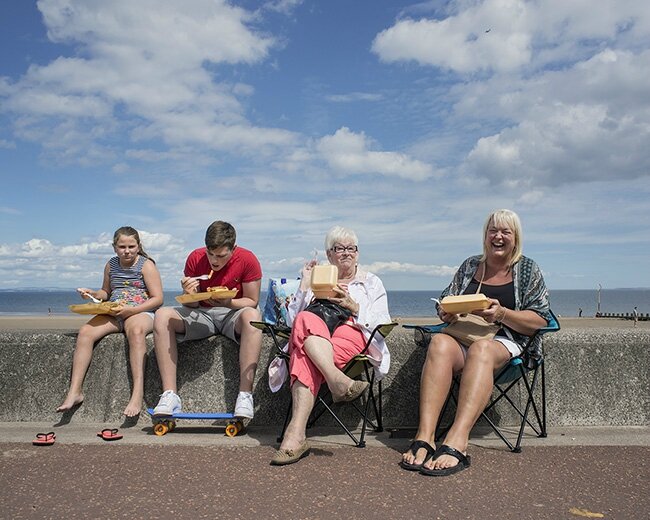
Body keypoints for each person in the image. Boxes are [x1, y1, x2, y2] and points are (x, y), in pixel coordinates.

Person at [401, 209, 552, 476]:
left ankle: (458, 439)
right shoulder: (471, 265)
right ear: (485, 235)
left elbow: (540, 319)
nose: (498, 236)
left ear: (516, 237)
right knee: (438, 343)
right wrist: (446, 311)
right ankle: (425, 435)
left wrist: (502, 313)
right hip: (465, 335)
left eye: (506, 231)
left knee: (481, 350)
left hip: (508, 341)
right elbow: (446, 299)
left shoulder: (528, 270)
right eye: (493, 230)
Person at [270, 226, 391, 466]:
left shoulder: (370, 282)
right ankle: (338, 381)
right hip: (316, 335)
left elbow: (383, 322)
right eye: (339, 248)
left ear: (357, 252)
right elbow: (293, 322)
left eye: (351, 248)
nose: (346, 253)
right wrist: (305, 285)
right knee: (305, 321)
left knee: (304, 353)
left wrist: (354, 306)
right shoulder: (317, 280)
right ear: (329, 254)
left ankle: (295, 435)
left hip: (352, 334)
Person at [152, 221, 262, 419]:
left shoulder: (247, 259)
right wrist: (189, 293)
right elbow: (191, 305)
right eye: (211, 254)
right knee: (162, 315)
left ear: (233, 248)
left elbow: (252, 301)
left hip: (233, 313)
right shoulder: (195, 258)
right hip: (203, 314)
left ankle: (245, 395)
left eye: (221, 255)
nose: (214, 261)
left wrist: (228, 301)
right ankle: (170, 394)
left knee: (253, 317)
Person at [57, 226, 163, 416]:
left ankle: (137, 394)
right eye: (122, 246)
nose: (127, 251)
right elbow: (106, 292)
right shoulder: (111, 265)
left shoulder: (146, 265)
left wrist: (132, 310)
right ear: (115, 247)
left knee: (136, 333)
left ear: (138, 246)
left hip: (140, 311)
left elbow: (157, 298)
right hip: (115, 311)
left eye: (131, 246)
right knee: (85, 332)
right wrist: (93, 294)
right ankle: (75, 391)